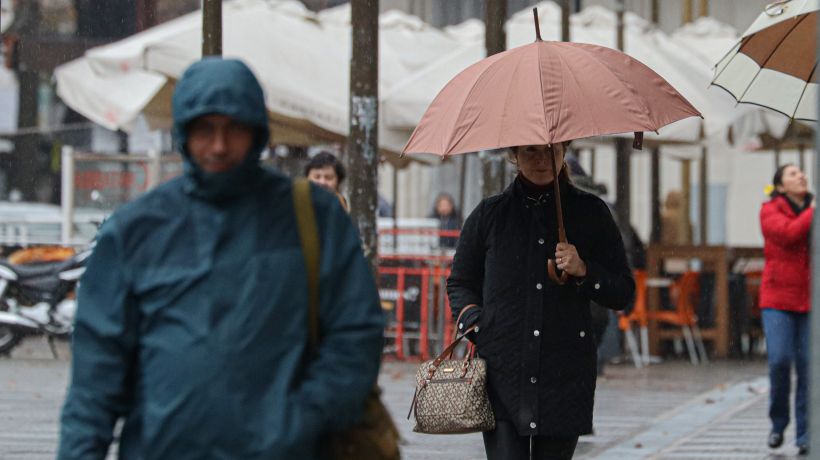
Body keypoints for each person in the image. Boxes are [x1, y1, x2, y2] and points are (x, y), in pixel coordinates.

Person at [58, 58, 384, 460]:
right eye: (204, 129)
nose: (218, 145)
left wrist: (302, 418)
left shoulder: (313, 219)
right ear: (183, 132)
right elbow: (95, 377)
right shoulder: (135, 231)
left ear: (257, 132)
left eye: (233, 128)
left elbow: (356, 334)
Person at [447, 143, 635, 459]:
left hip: (564, 372)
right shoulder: (490, 215)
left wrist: (585, 271)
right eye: (531, 152)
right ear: (514, 155)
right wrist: (478, 324)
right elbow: (461, 282)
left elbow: (623, 291)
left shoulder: (590, 213)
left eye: (551, 151)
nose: (542, 160)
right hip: (502, 371)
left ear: (564, 154)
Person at [759, 164, 814, 456]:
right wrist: (813, 210)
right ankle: (778, 424)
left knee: (808, 367)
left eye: (802, 172)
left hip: (809, 300)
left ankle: (805, 433)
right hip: (777, 299)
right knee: (780, 361)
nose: (801, 176)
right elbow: (789, 234)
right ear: (780, 186)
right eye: (793, 174)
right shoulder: (770, 211)